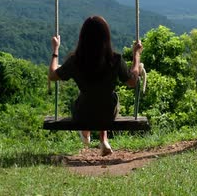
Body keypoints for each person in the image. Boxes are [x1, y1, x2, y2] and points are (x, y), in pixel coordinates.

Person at [48, 15, 143, 156]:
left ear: (83, 37)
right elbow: (132, 81)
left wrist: (55, 50)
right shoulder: (115, 59)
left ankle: (86, 132)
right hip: (107, 114)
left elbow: (52, 75)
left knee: (87, 96)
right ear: (106, 36)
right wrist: (136, 55)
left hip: (82, 113)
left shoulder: (75, 60)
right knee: (106, 96)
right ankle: (103, 139)